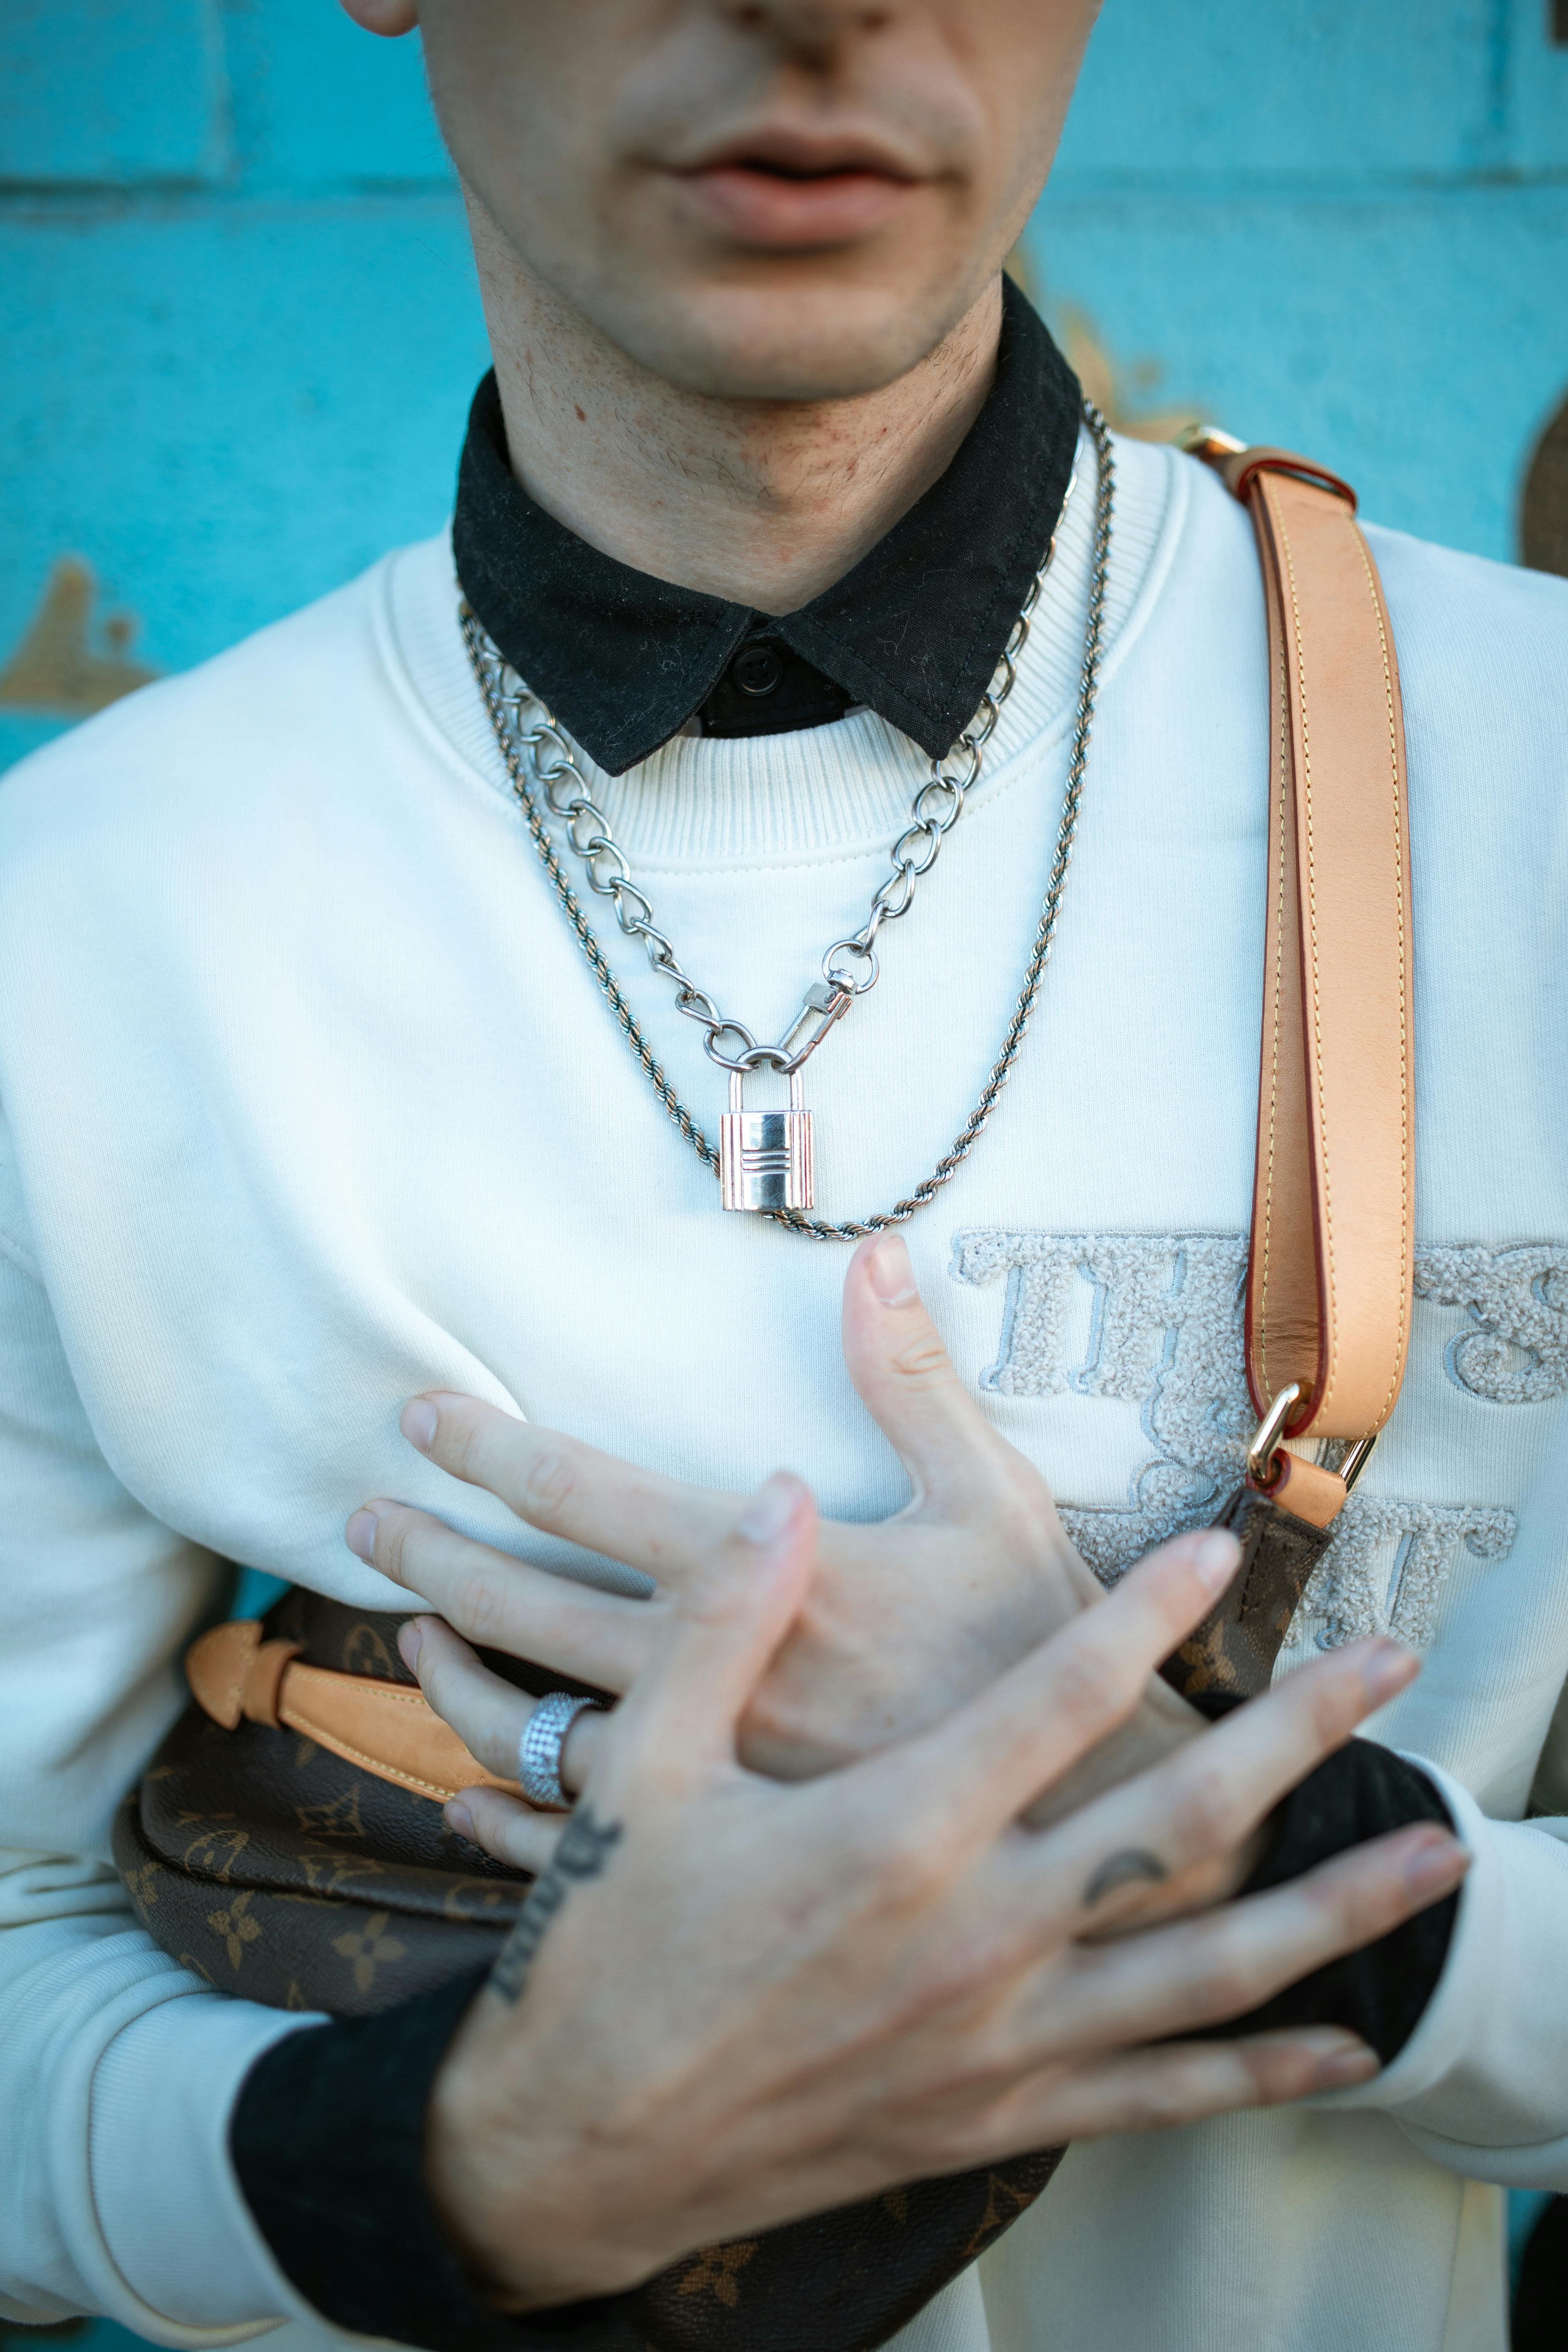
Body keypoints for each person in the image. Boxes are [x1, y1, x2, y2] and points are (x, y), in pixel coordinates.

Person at [0, 4, 1563, 2350]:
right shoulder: (80, 918)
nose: (817, 12)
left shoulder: (1525, 772)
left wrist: (1239, 1838)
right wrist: (476, 2168)